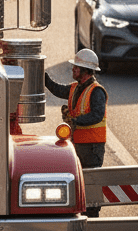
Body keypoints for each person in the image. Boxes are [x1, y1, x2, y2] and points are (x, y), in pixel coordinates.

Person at [45, 47, 107, 217]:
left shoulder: (96, 91)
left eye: (76, 67)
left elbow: (96, 115)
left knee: (90, 183)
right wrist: (43, 78)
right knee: (80, 181)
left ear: (85, 70)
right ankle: (82, 213)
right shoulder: (75, 88)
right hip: (78, 145)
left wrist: (75, 121)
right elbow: (57, 89)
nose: (73, 69)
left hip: (92, 147)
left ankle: (92, 217)